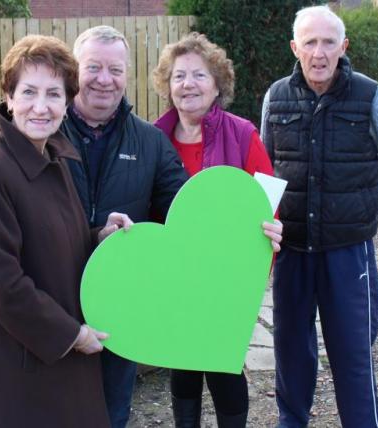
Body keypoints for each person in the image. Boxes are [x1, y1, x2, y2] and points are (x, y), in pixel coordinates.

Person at [0, 34, 133, 427]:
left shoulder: (54, 157)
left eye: (53, 94)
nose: (41, 107)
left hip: (57, 359)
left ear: (67, 103)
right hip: (16, 367)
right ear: (9, 96)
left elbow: (54, 243)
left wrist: (97, 237)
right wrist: (70, 334)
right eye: (29, 92)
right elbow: (1, 282)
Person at [260, 6, 378, 428]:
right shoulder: (277, 96)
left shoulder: (368, 94)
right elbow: (266, 164)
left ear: (343, 47)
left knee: (352, 351)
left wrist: (355, 204)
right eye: (310, 42)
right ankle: (292, 420)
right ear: (295, 47)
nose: (319, 52)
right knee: (290, 347)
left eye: (328, 42)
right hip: (293, 249)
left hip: (349, 253)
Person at [59, 26, 190, 428]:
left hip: (121, 304)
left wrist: (246, 230)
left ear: (127, 75)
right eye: (93, 67)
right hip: (55, 297)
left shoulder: (150, 142)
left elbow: (183, 215)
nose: (104, 78)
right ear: (73, 71)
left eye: (115, 69)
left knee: (112, 412)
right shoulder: (45, 132)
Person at [152, 32, 282, 428]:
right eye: (178, 76)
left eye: (198, 75)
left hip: (225, 276)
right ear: (167, 84)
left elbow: (265, 205)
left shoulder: (242, 134)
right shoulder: (153, 138)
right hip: (175, 275)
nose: (187, 84)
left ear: (217, 84)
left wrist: (269, 240)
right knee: (183, 365)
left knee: (223, 365)